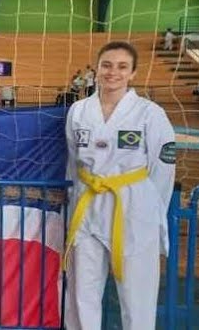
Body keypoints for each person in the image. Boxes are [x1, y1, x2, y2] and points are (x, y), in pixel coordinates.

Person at [63, 41, 176, 330]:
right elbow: (74, 163)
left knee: (137, 295)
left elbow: (162, 171)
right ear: (97, 69)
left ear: (133, 73)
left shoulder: (150, 114)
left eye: (122, 66)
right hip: (88, 205)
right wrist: (75, 198)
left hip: (134, 210)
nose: (113, 72)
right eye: (107, 65)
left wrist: (151, 213)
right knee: (81, 293)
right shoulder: (78, 110)